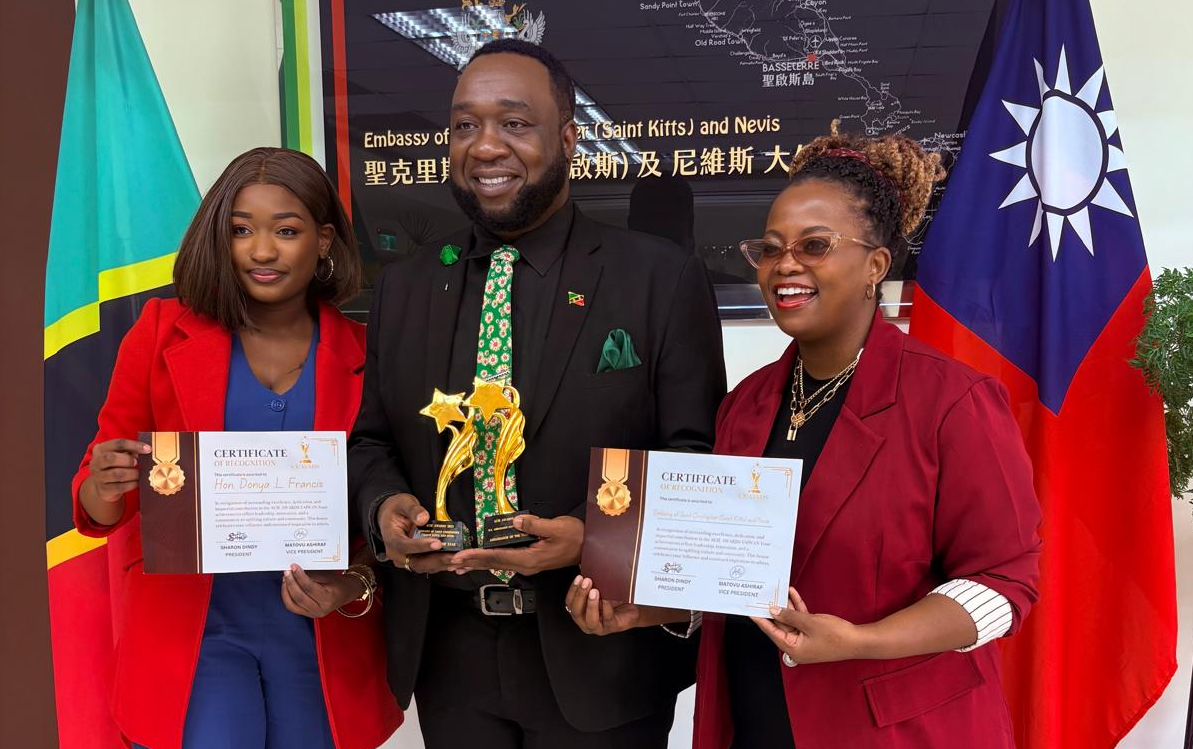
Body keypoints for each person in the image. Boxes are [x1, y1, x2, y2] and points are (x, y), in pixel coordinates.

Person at [566, 123, 1042, 748]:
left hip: (892, 731)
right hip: (754, 720)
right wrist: (651, 610)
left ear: (876, 265)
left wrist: (863, 641)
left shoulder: (953, 402)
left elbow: (1005, 584)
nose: (785, 265)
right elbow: (735, 573)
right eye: (769, 249)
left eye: (814, 245)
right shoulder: (744, 405)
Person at [347, 38, 726, 748]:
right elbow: (371, 441)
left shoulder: (659, 278)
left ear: (569, 139)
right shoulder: (403, 287)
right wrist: (383, 508)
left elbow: (696, 458)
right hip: (450, 657)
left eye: (514, 123)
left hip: (598, 652)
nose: (485, 146)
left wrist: (594, 537)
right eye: (465, 125)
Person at [71, 148, 401, 749]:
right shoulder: (159, 331)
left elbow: (391, 505)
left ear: (324, 241)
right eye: (241, 230)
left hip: (320, 636)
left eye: (287, 231)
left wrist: (350, 585)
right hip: (192, 634)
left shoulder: (372, 352)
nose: (262, 251)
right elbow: (98, 507)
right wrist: (103, 483)